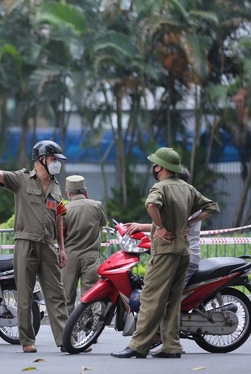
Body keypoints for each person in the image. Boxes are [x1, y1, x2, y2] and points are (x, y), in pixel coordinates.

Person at [0, 140, 71, 354]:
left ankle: (64, 339)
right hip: (26, 244)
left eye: (57, 160)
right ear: (41, 160)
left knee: (56, 294)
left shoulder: (55, 186)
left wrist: (61, 248)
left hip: (48, 246)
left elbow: (59, 217)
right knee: (24, 293)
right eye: (53, 159)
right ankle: (27, 340)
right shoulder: (22, 179)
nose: (57, 164)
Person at [111, 147, 219, 359]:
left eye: (155, 164)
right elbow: (212, 207)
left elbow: (151, 204)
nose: (153, 167)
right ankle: (171, 346)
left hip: (165, 252)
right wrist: (189, 221)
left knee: (151, 298)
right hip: (183, 252)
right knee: (172, 300)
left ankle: (138, 345)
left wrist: (159, 227)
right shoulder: (187, 188)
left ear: (160, 167)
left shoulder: (160, 187)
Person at [124, 166, 208, 287]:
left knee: (165, 295)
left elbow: (170, 226)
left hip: (185, 257)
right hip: (176, 254)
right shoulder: (179, 199)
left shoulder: (186, 201)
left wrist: (146, 227)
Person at [62, 175, 107, 314]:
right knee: (90, 298)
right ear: (85, 191)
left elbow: (60, 235)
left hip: (69, 258)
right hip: (91, 257)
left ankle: (68, 333)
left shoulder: (64, 210)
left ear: (68, 192)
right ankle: (90, 332)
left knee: (67, 297)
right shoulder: (96, 206)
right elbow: (101, 227)